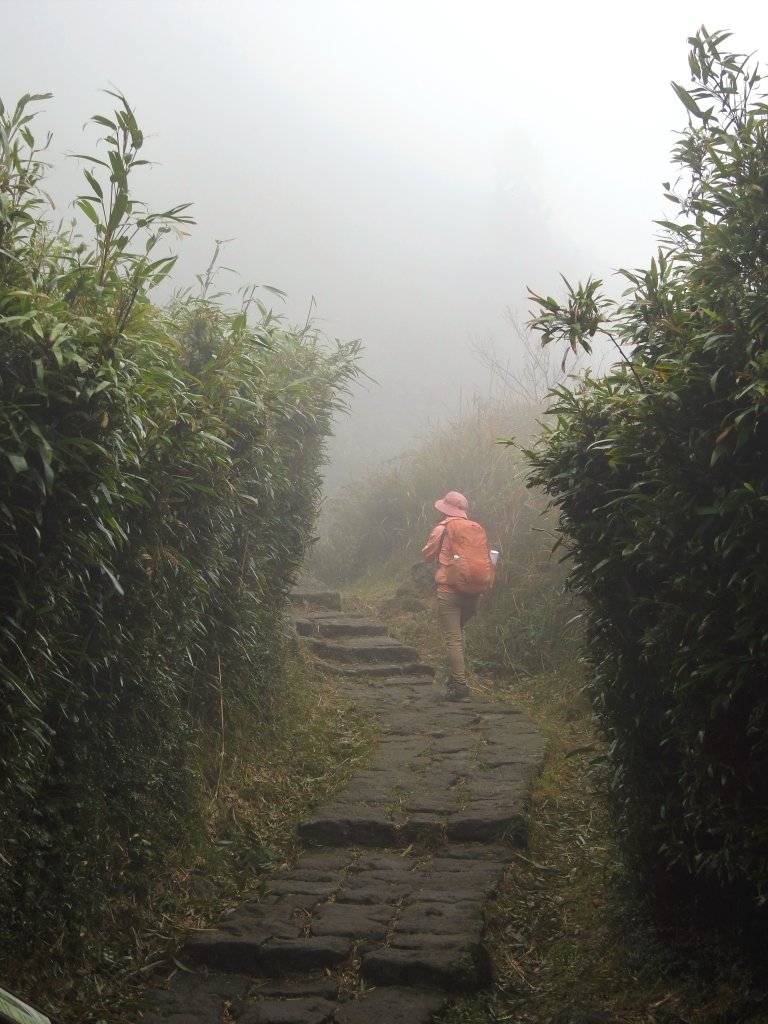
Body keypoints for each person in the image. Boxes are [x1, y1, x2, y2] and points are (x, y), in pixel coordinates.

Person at [421, 490, 489, 701]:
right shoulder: (476, 528)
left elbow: (427, 554)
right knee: (459, 633)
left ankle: (459, 684)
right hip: (475, 593)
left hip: (449, 592)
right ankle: (453, 675)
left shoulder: (442, 528)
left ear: (444, 509)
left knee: (453, 638)